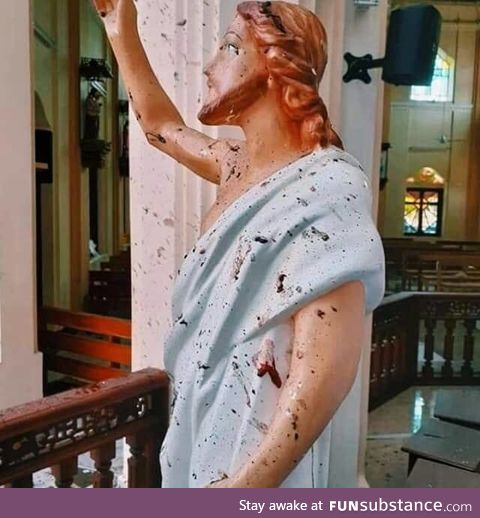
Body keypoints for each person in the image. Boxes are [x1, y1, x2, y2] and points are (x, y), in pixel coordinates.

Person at [92, 0, 385, 488]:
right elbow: (161, 128)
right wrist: (121, 29)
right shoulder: (233, 166)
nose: (208, 67)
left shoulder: (327, 186)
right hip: (198, 404)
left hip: (258, 441)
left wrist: (245, 487)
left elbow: (323, 371)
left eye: (229, 48)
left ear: (277, 69)